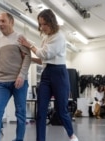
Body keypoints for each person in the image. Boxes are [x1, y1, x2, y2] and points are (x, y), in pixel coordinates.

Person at [18, 9, 78, 141]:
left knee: (61, 110)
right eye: (40, 24)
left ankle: (72, 135)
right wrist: (28, 58)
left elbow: (44, 54)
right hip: (46, 74)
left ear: (51, 22)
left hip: (59, 73)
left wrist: (29, 45)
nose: (42, 27)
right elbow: (42, 60)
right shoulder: (45, 38)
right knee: (41, 111)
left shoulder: (59, 37)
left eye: (44, 24)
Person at [0, 12, 31, 141]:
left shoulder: (20, 37)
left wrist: (22, 75)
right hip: (2, 83)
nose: (0, 24)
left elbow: (27, 57)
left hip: (19, 82)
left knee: (20, 114)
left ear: (11, 22)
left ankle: (19, 139)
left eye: (3, 21)